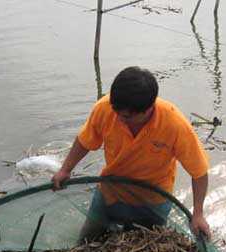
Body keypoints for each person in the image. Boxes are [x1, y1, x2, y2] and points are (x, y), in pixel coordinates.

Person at [51, 66, 211, 239]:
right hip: (111, 190)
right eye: (116, 112)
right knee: (88, 238)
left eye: (127, 117)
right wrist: (65, 170)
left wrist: (198, 214)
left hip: (153, 198)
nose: (119, 119)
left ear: (148, 110)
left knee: (147, 246)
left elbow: (199, 172)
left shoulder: (174, 124)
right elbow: (85, 141)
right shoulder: (105, 108)